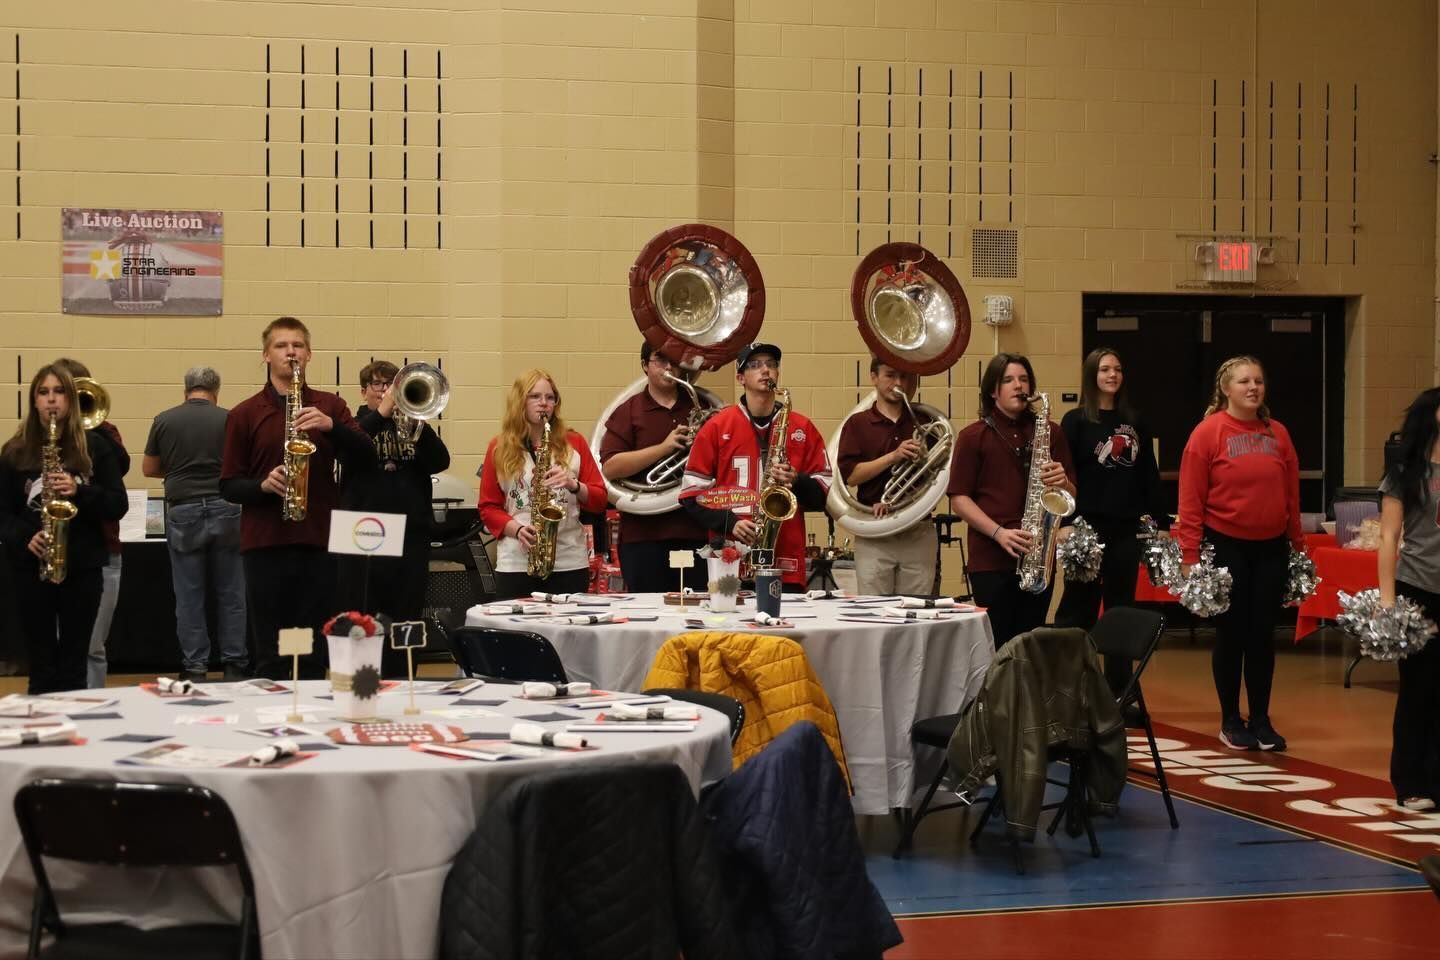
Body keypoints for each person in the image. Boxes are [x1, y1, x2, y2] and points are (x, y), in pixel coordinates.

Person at [220, 317, 376, 679]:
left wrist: (331, 427)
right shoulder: (243, 413)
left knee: (313, 647)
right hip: (265, 544)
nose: (290, 352)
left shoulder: (330, 405)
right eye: (281, 345)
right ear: (265, 356)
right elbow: (227, 485)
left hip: (319, 541)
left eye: (298, 346)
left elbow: (366, 457)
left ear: (309, 355)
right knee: (270, 648)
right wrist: (262, 485)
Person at [1175, 355, 1303, 753]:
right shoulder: (1207, 433)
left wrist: (1297, 546)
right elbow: (1191, 498)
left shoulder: (1278, 433)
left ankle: (1261, 718)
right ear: (1226, 389)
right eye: (1244, 381)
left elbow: (1292, 495)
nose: (1253, 387)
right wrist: (1190, 555)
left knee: (1263, 636)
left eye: (1259, 381)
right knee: (1232, 635)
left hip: (1270, 547)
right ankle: (1231, 719)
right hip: (1225, 544)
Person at [0, 365, 129, 693]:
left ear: (71, 400)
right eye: (43, 393)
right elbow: (3, 514)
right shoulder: (15, 451)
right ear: (34, 401)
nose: (51, 400)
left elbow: (117, 504)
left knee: (75, 664)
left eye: (58, 392)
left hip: (83, 564)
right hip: (31, 566)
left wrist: (79, 491)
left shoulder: (95, 448)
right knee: (40, 665)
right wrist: (24, 537)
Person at [1054, 347, 1164, 694]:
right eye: (1104, 370)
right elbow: (1066, 476)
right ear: (1092, 375)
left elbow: (1149, 474)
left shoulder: (1137, 422)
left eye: (1117, 369)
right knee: (1078, 608)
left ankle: (1120, 690)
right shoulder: (1075, 421)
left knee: (1121, 610)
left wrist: (1160, 522)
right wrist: (1065, 521)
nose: (1112, 375)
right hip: (1086, 529)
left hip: (1126, 529)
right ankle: (1071, 685)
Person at [947, 353, 1076, 648]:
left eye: (1024, 379)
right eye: (1008, 380)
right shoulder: (972, 437)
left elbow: (1071, 496)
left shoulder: (1051, 432)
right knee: (997, 646)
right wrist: (999, 533)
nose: (1018, 386)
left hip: (1038, 557)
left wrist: (1063, 482)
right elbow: (959, 498)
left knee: (1030, 645)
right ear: (993, 390)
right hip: (991, 558)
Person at [680, 343, 833, 592]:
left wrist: (797, 480)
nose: (765, 370)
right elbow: (690, 496)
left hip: (786, 560)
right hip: (730, 558)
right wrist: (730, 523)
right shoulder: (717, 427)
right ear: (740, 377)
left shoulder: (802, 427)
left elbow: (824, 495)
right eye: (754, 365)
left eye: (771, 364)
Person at [339, 360, 451, 674]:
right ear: (363, 391)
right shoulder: (354, 424)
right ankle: (361, 678)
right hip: (361, 531)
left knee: (406, 612)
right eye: (378, 384)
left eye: (392, 384)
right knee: (362, 611)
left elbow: (440, 460)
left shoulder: (413, 425)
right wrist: (384, 411)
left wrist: (419, 420)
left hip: (409, 531)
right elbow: (346, 453)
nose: (387, 390)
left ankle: (404, 680)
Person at [142, 366, 248, 683]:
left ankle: (195, 667)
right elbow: (241, 465)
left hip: (183, 511)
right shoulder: (230, 419)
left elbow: (149, 468)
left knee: (189, 595)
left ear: (185, 390)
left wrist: (178, 472)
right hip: (226, 507)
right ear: (216, 390)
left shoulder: (164, 419)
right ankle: (234, 664)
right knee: (231, 593)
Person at [478, 369, 606, 599]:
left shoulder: (574, 442)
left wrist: (573, 484)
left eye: (550, 397)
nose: (544, 403)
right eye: (534, 397)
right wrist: (516, 530)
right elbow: (488, 508)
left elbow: (599, 499)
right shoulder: (498, 447)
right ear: (520, 402)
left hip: (568, 561)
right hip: (516, 562)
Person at [598, 343, 709, 593]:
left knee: (693, 611)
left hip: (693, 532)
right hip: (643, 537)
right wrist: (664, 448)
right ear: (645, 366)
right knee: (650, 612)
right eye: (660, 359)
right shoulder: (629, 411)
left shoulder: (699, 406)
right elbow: (611, 467)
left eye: (674, 360)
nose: (669, 367)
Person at [1376, 386, 1440, 811]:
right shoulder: (1407, 468)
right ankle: (1411, 781)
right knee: (1419, 687)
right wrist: (1387, 600)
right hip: (1418, 587)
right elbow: (1388, 535)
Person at [52, 357, 129, 689]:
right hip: (56, 550)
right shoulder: (43, 435)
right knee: (59, 644)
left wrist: (93, 426)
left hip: (102, 550)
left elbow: (121, 469)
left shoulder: (104, 432)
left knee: (93, 645)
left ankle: (93, 709)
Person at [835, 357, 938, 595]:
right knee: (874, 612)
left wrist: (925, 459)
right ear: (874, 378)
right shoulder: (858, 424)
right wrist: (893, 457)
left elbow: (941, 475)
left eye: (904, 376)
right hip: (875, 530)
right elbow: (851, 476)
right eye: (890, 375)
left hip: (918, 531)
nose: (898, 382)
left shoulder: (925, 422)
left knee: (916, 612)